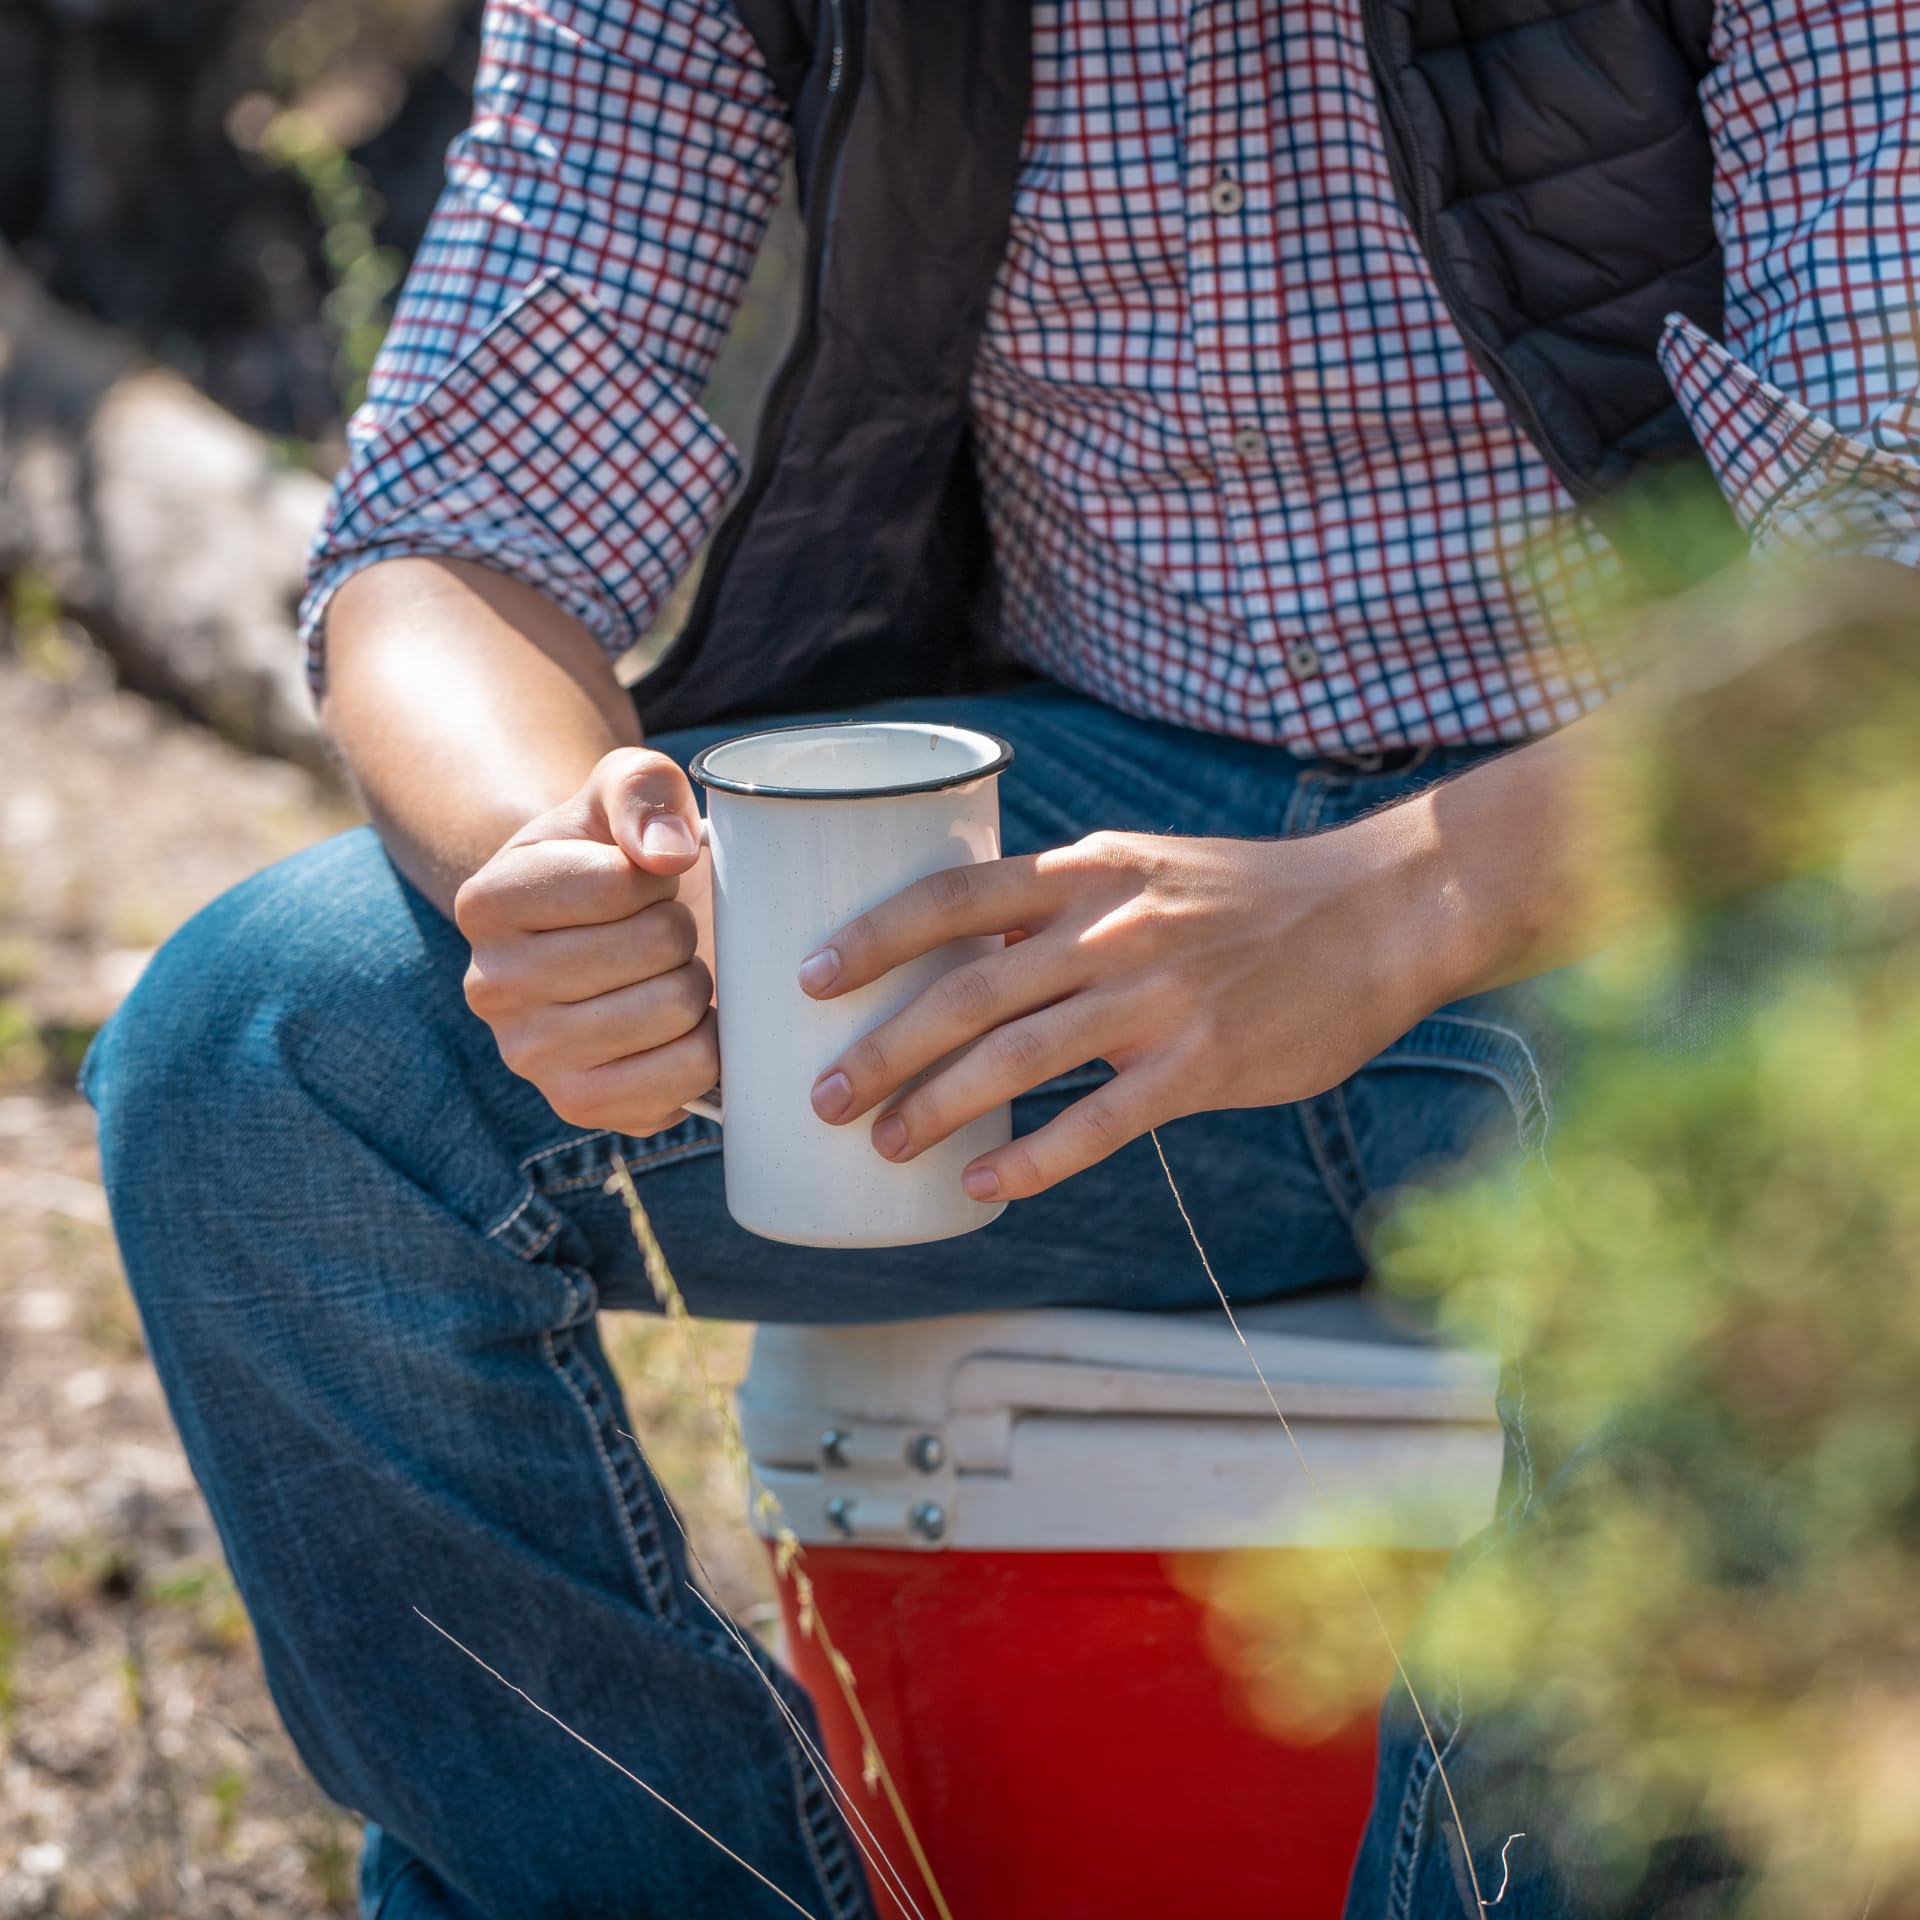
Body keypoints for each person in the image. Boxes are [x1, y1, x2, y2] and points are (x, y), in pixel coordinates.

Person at [83, 1, 1920, 1914]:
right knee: (261, 1061)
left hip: (1668, 859)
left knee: (1825, 1126)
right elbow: (454, 525)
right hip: (1073, 873)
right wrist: (567, 877)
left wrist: (1383, 911)